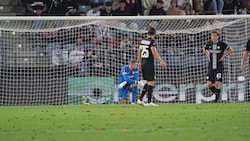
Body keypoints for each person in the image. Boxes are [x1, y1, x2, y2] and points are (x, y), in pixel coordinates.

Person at [137, 27, 167, 106]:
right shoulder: (152, 42)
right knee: (151, 82)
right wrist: (161, 61)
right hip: (149, 64)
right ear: (154, 34)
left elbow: (139, 51)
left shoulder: (143, 41)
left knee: (149, 82)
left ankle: (141, 99)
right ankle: (149, 101)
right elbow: (154, 52)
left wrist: (140, 62)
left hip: (143, 63)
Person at [203, 30, 233, 103]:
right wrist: (207, 55)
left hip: (219, 67)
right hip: (211, 67)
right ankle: (217, 94)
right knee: (209, 84)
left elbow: (231, 50)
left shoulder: (222, 44)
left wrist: (224, 56)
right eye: (212, 36)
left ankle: (216, 100)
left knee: (217, 83)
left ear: (218, 37)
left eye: (214, 36)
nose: (213, 37)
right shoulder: (209, 43)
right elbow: (204, 49)